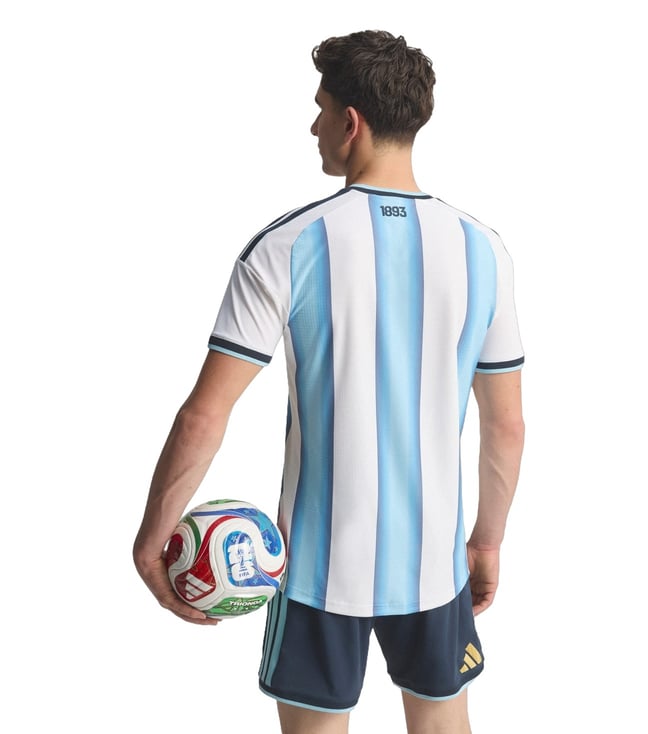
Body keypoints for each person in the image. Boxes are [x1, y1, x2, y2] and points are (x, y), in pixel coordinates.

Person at [133, 30, 525, 734]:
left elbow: (204, 416)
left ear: (351, 122)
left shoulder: (287, 245)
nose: (312, 127)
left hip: (314, 570)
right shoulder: (483, 250)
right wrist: (486, 541)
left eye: (319, 111)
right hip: (434, 564)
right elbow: (506, 426)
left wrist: (152, 537)